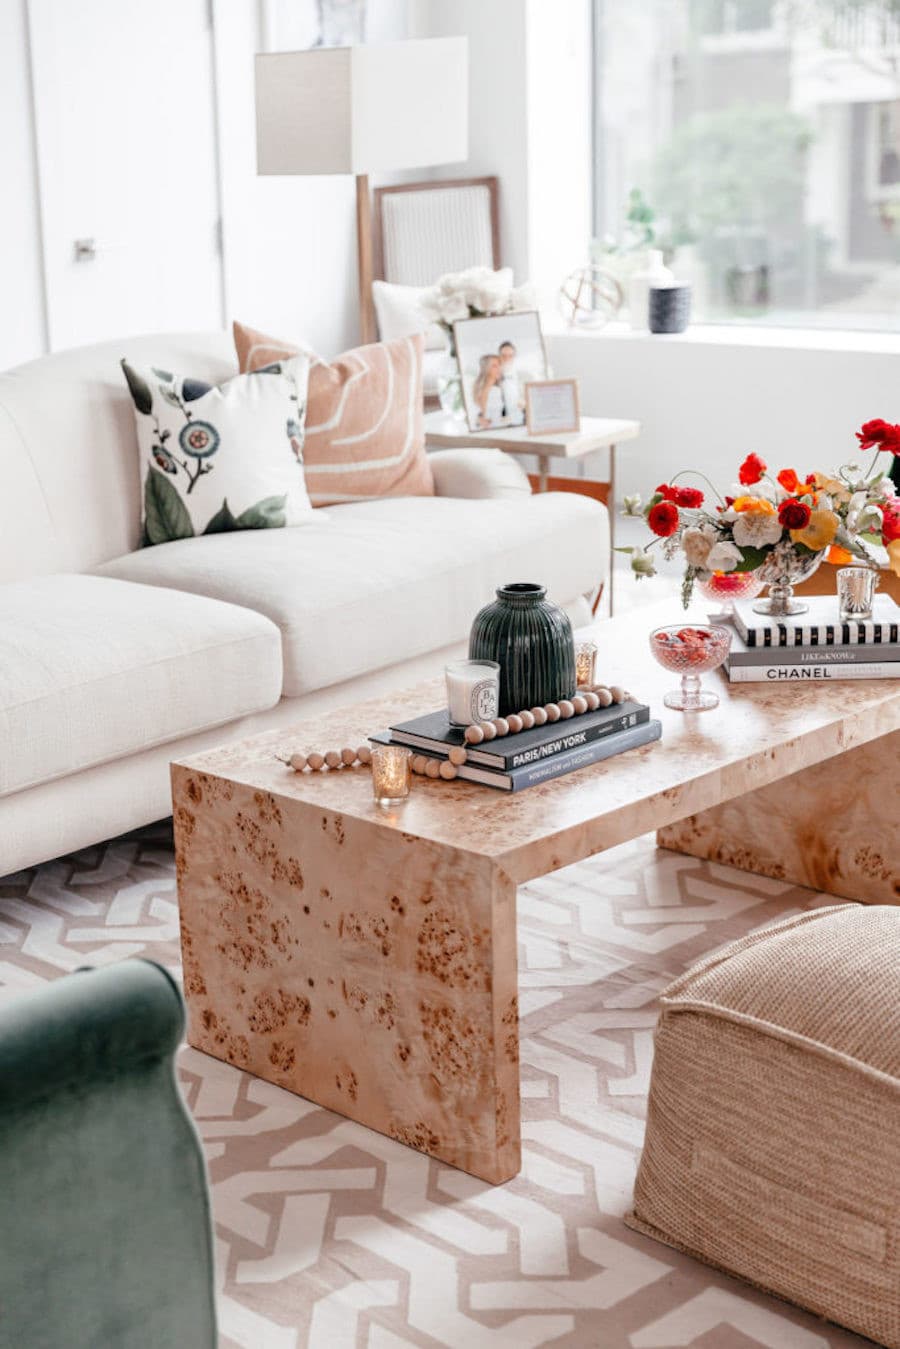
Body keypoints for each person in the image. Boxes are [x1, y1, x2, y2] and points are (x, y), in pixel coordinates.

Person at [472, 354, 505, 428]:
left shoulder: (497, 388)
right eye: (494, 366)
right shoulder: (492, 391)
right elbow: (483, 418)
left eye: (499, 365)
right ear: (486, 368)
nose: (499, 368)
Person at [498, 340, 525, 426]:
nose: (507, 359)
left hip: (522, 420)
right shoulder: (493, 377)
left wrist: (525, 402)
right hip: (502, 422)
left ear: (514, 356)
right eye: (504, 356)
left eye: (510, 356)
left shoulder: (524, 375)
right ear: (499, 357)